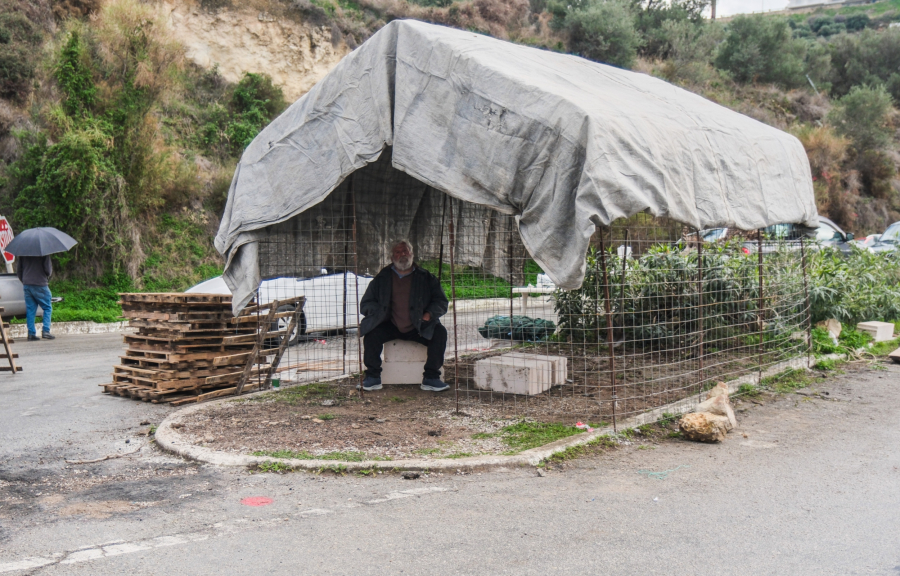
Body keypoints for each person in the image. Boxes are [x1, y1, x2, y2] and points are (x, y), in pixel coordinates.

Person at [359, 239, 449, 392]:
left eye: (405, 251)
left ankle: (431, 378)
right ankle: (373, 377)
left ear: (412, 254)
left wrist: (429, 314)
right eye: (398, 252)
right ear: (392, 257)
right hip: (390, 325)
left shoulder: (426, 277)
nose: (402, 255)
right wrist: (379, 313)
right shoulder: (382, 278)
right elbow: (366, 303)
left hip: (419, 325)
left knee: (440, 333)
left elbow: (441, 301)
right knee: (371, 334)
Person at [16, 255, 54, 341]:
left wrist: (25, 281)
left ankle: (31, 333)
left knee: (30, 310)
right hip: (40, 283)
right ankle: (46, 331)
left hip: (27, 284)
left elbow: (19, 271)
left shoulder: (23, 253)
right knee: (47, 307)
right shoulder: (44, 253)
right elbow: (48, 271)